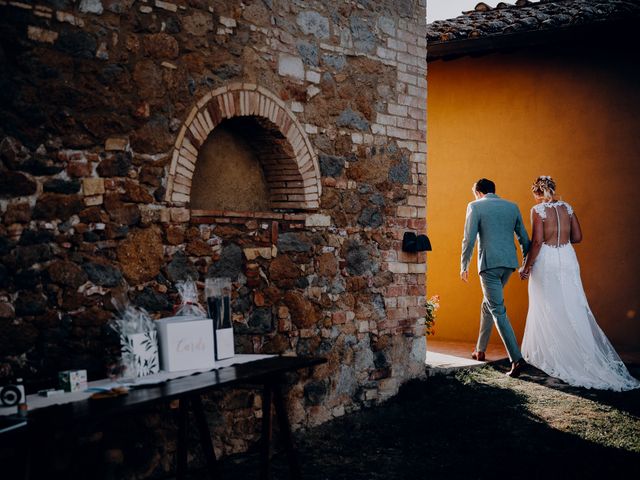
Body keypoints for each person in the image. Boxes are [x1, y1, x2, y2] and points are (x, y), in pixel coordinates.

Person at [519, 176, 639, 390]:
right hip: (567, 257)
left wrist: (526, 267)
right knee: (572, 304)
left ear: (536, 193)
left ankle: (555, 354)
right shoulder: (568, 207)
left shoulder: (537, 211)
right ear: (553, 190)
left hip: (547, 259)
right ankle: (578, 352)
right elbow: (578, 237)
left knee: (548, 305)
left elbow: (537, 242)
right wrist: (562, 238)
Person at [461, 178, 530, 377]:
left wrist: (464, 265)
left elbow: (469, 238)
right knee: (489, 304)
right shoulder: (512, 206)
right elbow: (524, 237)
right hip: (509, 264)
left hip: (489, 265)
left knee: (497, 309)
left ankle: (517, 360)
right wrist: (526, 262)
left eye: (475, 193)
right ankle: (480, 350)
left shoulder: (475, 206)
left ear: (479, 192)